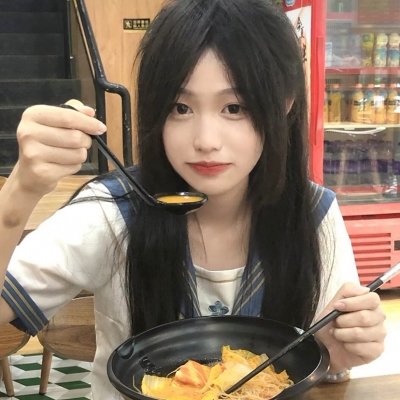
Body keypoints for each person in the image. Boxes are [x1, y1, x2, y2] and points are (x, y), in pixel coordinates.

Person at [0, 0, 386, 398]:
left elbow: (329, 362)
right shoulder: (112, 212)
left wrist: (337, 353)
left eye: (234, 107)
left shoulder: (312, 214)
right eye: (180, 107)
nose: (205, 140)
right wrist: (19, 192)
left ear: (285, 103)